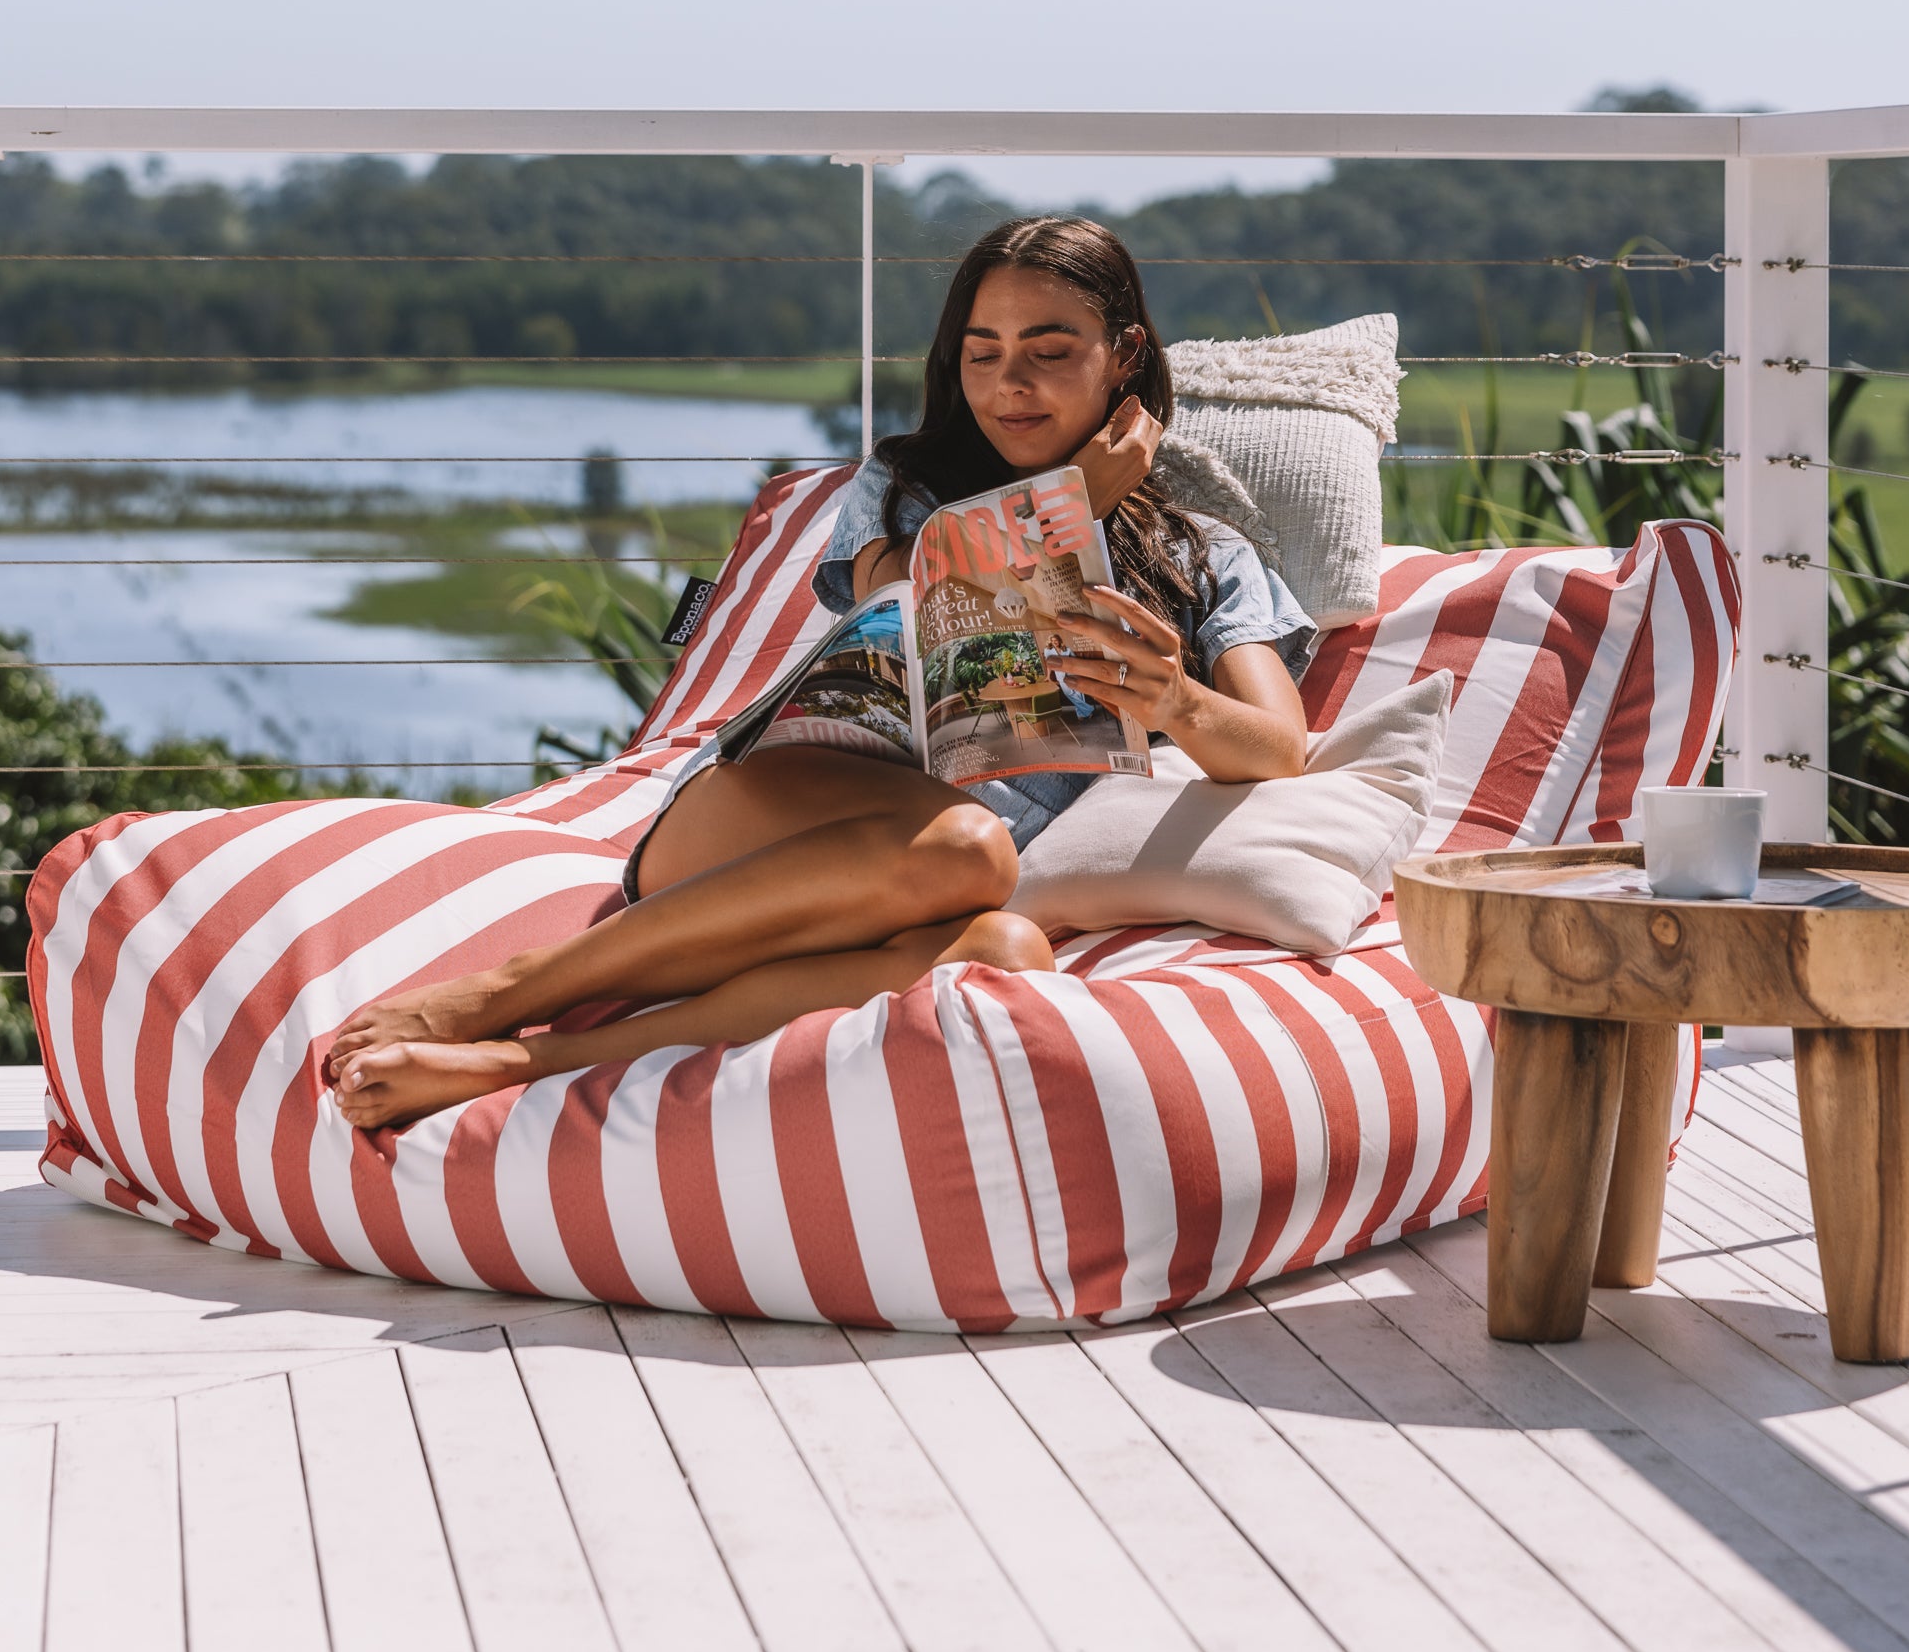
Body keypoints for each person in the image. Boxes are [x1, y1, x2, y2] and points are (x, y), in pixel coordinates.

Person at [329, 215, 1313, 1132]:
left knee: (1009, 950)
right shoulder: (903, 484)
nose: (1010, 382)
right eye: (983, 354)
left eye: (1049, 353)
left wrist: (1171, 696)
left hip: (930, 885)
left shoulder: (1202, 555)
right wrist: (1069, 503)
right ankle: (506, 990)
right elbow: (906, 592)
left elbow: (1278, 746)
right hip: (765, 814)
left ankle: (529, 1060)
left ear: (1126, 356)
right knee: (971, 853)